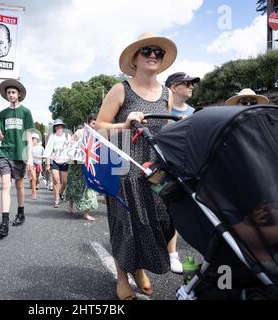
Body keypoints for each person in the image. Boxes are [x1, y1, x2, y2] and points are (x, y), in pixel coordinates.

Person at [96, 32, 177, 300]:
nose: (153, 55)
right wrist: (124, 123)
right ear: (135, 58)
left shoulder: (167, 93)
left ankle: (139, 266)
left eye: (158, 52)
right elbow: (99, 127)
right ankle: (123, 278)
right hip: (124, 167)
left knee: (162, 221)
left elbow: (164, 130)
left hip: (155, 169)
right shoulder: (122, 89)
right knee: (127, 225)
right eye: (147, 51)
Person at [164, 71, 201, 274]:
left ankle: (172, 255)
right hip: (163, 169)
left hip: (186, 170)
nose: (191, 86)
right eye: (187, 83)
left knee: (177, 213)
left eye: (192, 83)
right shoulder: (161, 109)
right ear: (174, 87)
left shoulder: (194, 113)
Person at [0, 79, 34, 238]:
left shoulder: (26, 112)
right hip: (5, 152)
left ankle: (21, 212)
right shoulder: (2, 113)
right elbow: (0, 137)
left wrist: (29, 157)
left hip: (20, 153)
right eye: (8, 92)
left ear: (19, 94)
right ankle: (4, 223)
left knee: (19, 185)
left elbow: (29, 135)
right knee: (5, 185)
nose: (10, 95)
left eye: (13, 92)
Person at [66, 114, 98, 221]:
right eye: (93, 123)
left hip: (88, 165)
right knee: (74, 185)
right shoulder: (79, 132)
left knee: (89, 188)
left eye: (96, 123)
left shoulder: (95, 135)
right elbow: (69, 146)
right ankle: (71, 203)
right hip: (76, 165)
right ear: (88, 122)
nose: (94, 125)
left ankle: (86, 213)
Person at [44, 119, 72, 208]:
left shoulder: (67, 136)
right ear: (55, 127)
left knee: (65, 182)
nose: (58, 127)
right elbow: (48, 150)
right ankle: (56, 201)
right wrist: (48, 164)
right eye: (56, 126)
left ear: (63, 126)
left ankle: (60, 192)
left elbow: (72, 148)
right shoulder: (52, 137)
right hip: (55, 161)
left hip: (65, 161)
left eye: (60, 125)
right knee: (56, 180)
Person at [30, 132, 44, 200]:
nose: (32, 140)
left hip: (38, 163)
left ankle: (34, 187)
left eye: (34, 138)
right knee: (34, 178)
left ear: (37, 139)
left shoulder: (41, 147)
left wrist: (39, 156)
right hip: (32, 163)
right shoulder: (30, 147)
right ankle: (34, 193)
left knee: (36, 178)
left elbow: (44, 156)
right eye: (32, 138)